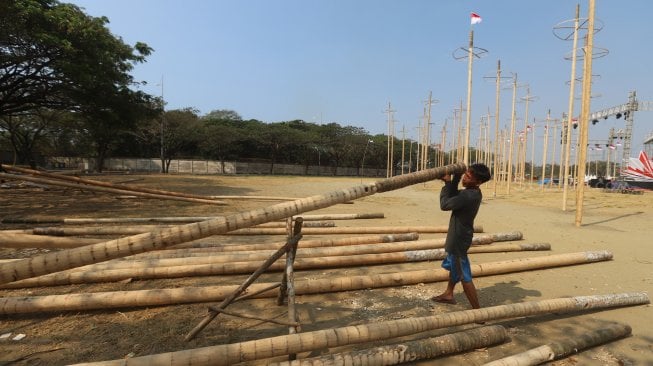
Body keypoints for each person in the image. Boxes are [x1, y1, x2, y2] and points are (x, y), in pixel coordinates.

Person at [431, 163, 491, 309]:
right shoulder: (474, 192)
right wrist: (456, 176)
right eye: (465, 174)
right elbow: (454, 195)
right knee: (454, 266)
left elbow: (445, 204)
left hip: (458, 240)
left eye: (468, 177)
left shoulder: (467, 196)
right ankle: (449, 294)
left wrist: (447, 182)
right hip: (461, 236)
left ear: (478, 182)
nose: (465, 178)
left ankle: (478, 312)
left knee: (464, 275)